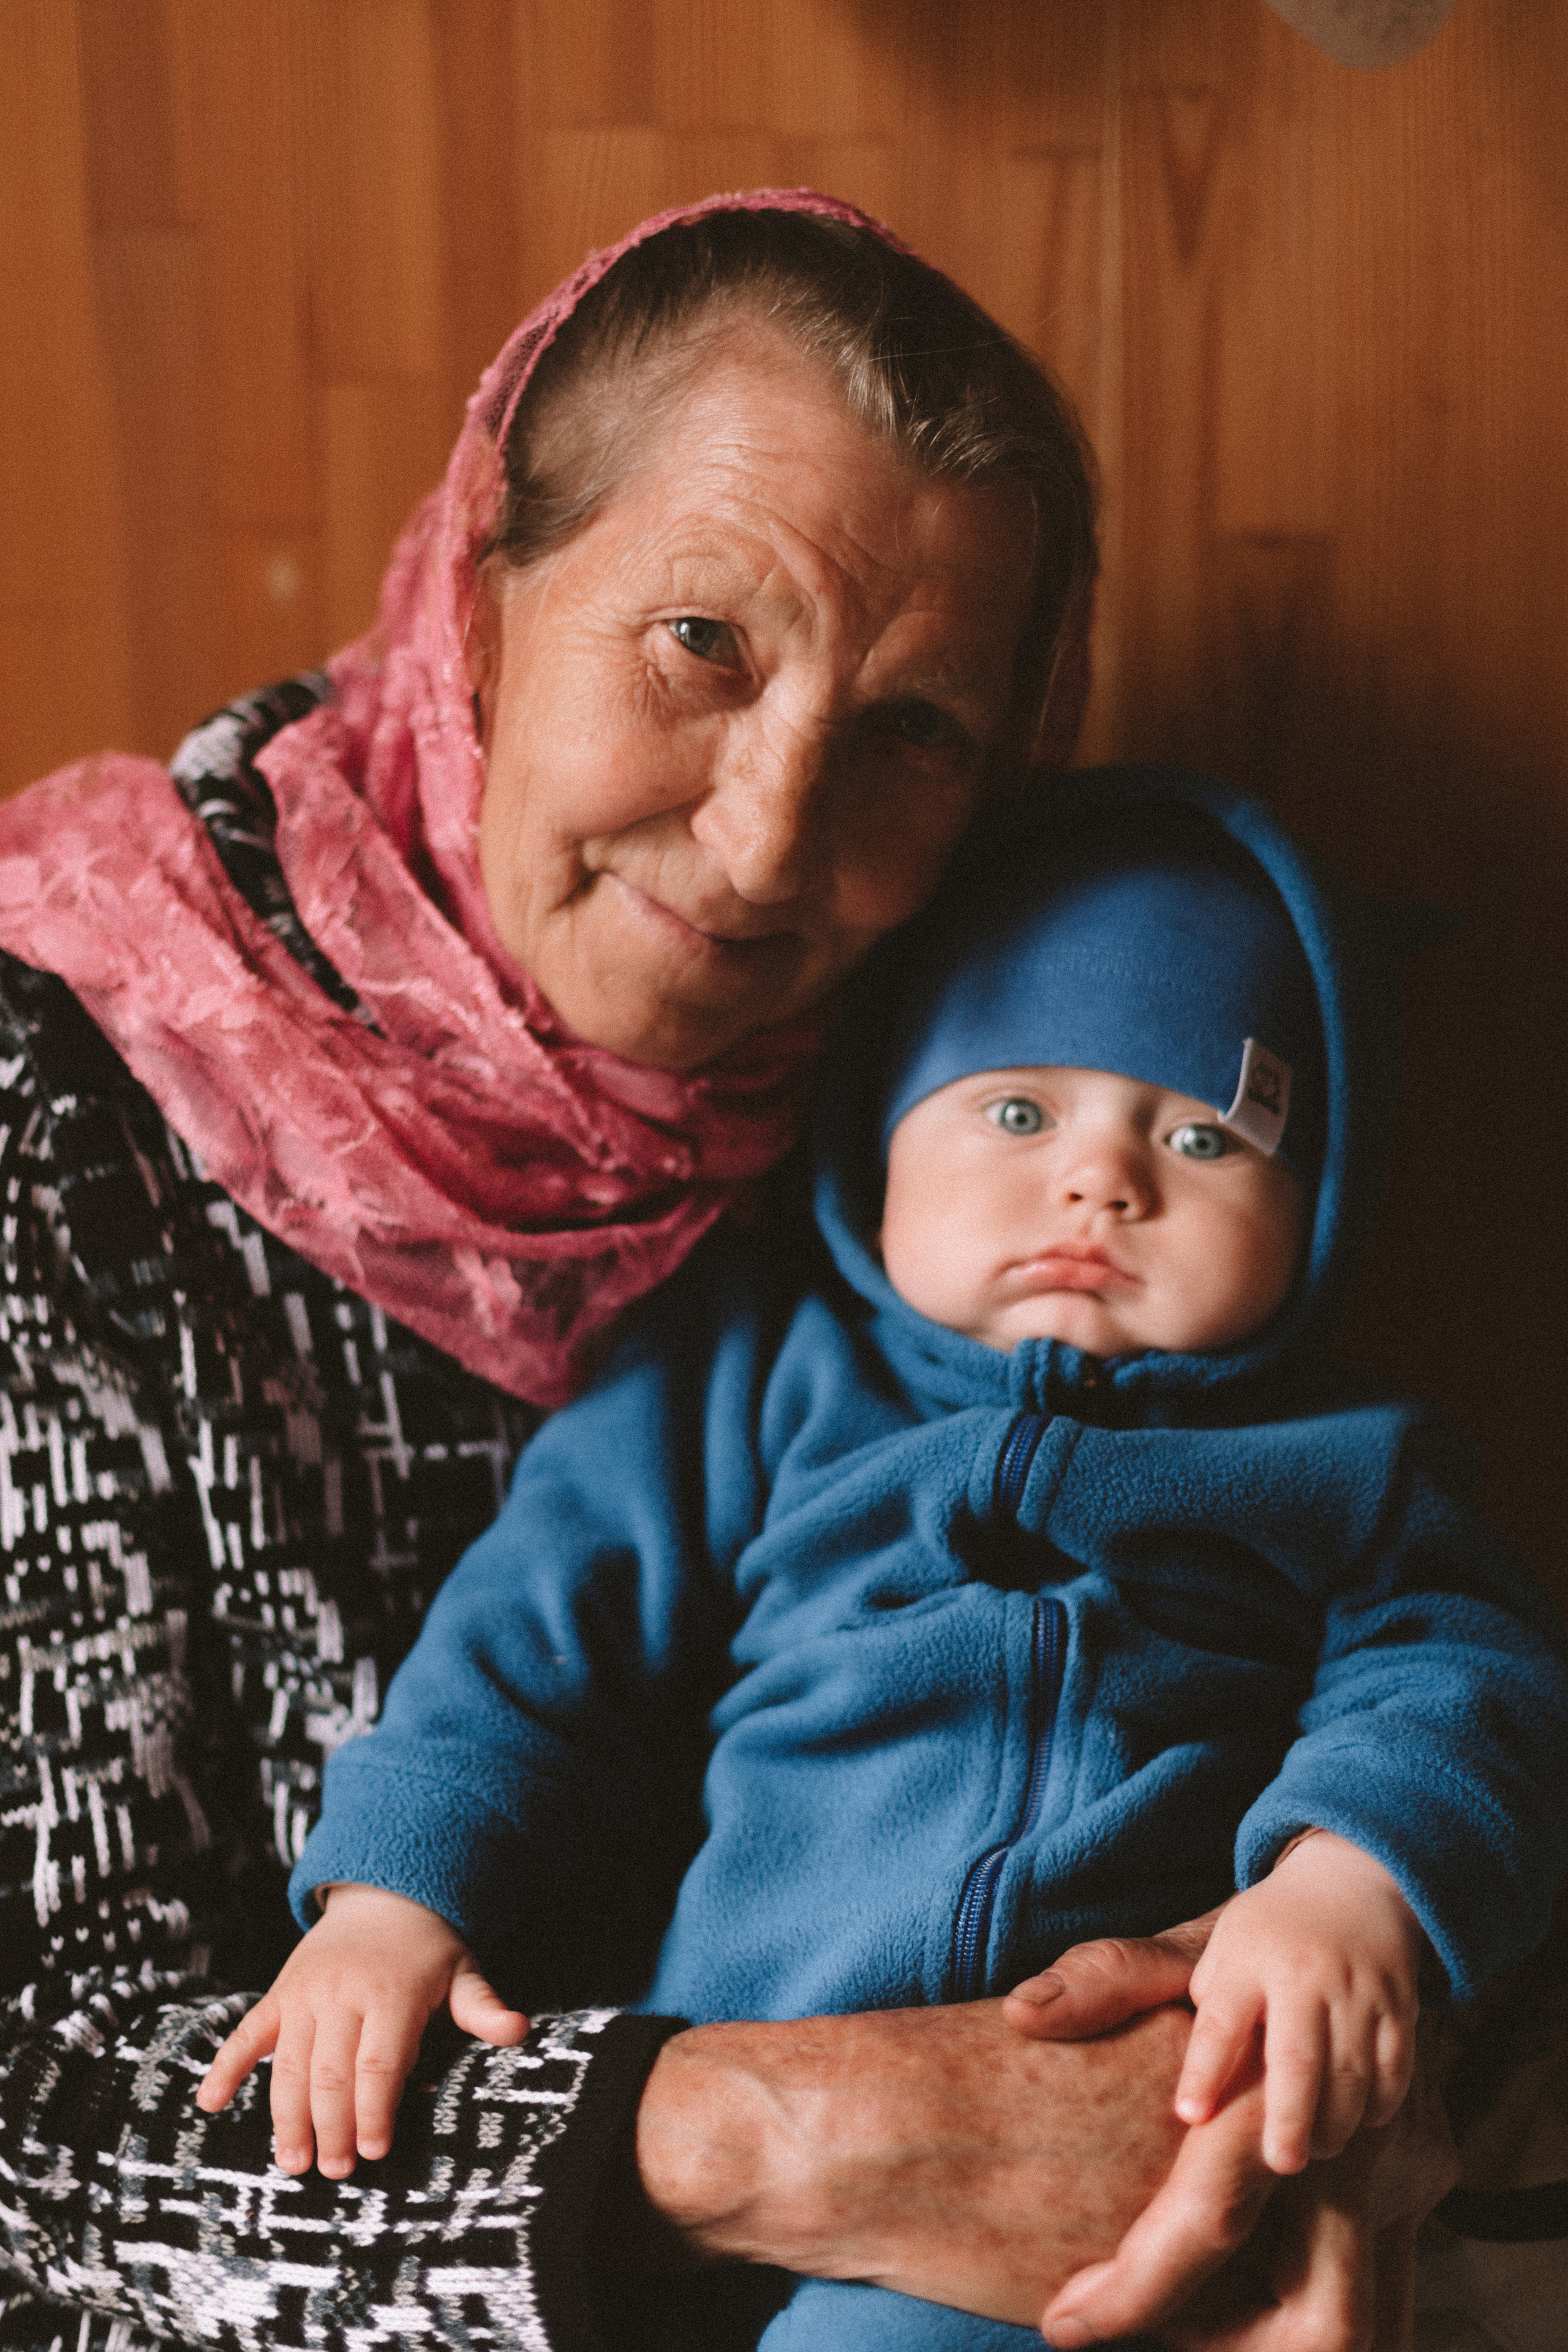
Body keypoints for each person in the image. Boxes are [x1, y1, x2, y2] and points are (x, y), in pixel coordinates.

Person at [0, 194, 1449, 2352]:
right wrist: (796, 2135)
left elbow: (1388, 1674)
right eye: (700, 640)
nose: (772, 841)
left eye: (916, 731)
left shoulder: (945, 1145)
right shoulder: (54, 1108)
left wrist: (1301, 2108)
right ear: (485, 599)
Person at [194, 773, 1568, 2347]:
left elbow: (1463, 1679)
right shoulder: (750, 1378)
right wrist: (388, 1899)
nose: (1102, 1183)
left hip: (1105, 2126)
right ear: (876, 1135)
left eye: (1202, 1137)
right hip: (737, 2084)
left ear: (1317, 1216)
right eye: (1016, 1112)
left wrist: (1347, 1885)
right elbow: (530, 1637)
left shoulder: (1342, 1460)